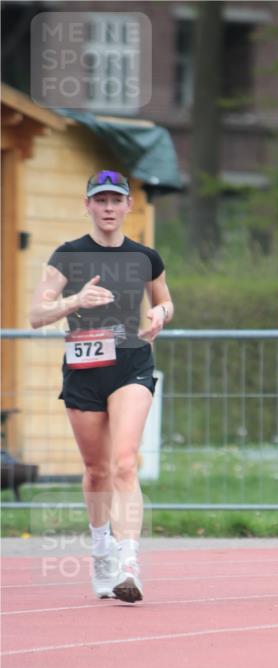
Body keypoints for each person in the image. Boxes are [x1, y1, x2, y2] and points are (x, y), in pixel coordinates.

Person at [28, 170, 173, 603]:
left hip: (131, 363)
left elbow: (164, 299)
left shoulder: (146, 255)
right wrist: (74, 301)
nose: (109, 208)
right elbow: (36, 314)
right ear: (88, 205)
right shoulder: (68, 256)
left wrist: (160, 315)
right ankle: (102, 550)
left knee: (126, 462)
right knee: (97, 470)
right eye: (101, 200)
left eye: (116, 200)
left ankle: (129, 562)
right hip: (85, 366)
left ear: (129, 206)